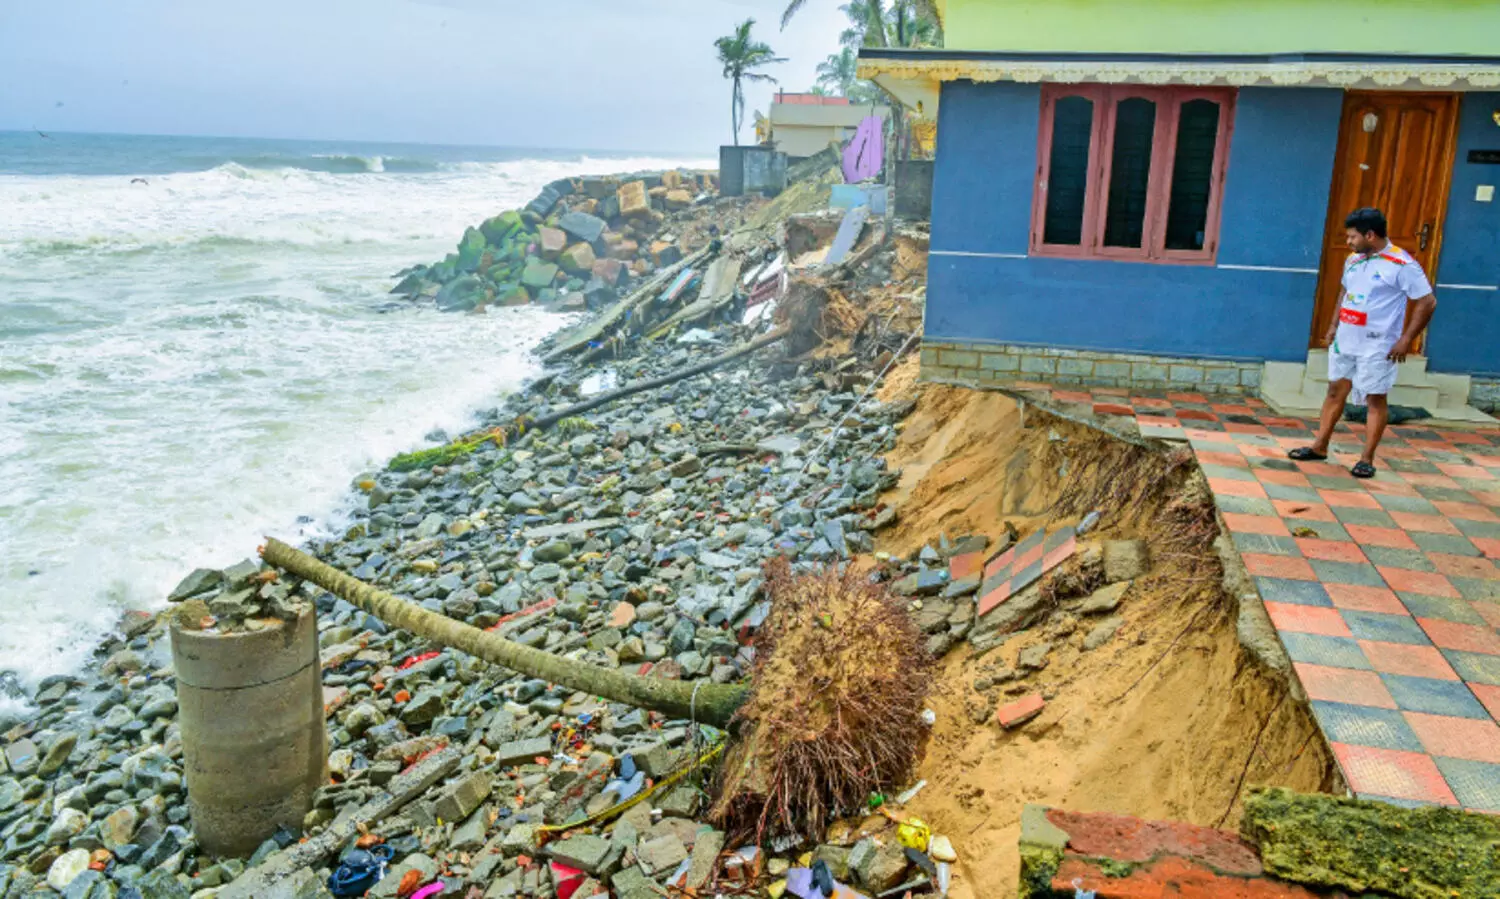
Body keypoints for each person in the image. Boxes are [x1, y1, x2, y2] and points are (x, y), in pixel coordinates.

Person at [1288, 207, 1437, 478]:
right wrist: (1334, 325)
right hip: (1347, 339)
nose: (1348, 242)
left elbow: (1427, 302)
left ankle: (1366, 459)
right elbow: (1345, 291)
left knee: (1375, 398)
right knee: (1335, 390)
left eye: (1353, 237)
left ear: (1370, 235)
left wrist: (1406, 339)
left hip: (1378, 344)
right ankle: (1319, 446)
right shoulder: (1353, 259)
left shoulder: (1403, 265)